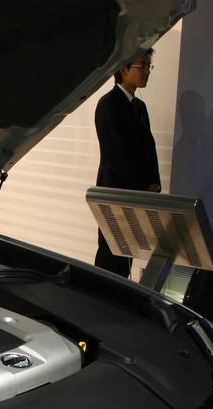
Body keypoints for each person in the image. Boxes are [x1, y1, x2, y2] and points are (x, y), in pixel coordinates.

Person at [92, 49, 160, 278]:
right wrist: (141, 187)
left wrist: (154, 184)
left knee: (127, 255)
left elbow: (149, 148)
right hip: (115, 192)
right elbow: (116, 154)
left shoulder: (139, 107)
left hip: (135, 194)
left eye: (149, 66)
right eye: (142, 66)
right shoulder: (108, 104)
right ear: (123, 68)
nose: (147, 72)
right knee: (110, 255)